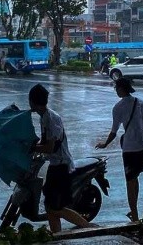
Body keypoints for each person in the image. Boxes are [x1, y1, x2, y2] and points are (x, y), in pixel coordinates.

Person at [28, 84, 95, 233]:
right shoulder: (45, 116)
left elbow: (50, 147)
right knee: (50, 208)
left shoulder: (50, 118)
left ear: (33, 101)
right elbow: (45, 142)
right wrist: (34, 144)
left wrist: (31, 148)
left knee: (55, 208)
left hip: (61, 166)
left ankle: (89, 228)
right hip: (56, 164)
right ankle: (57, 236)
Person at [96, 78, 143, 222]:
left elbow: (114, 132)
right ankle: (134, 210)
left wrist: (105, 144)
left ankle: (134, 216)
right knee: (135, 178)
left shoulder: (118, 107)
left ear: (122, 89)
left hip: (129, 148)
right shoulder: (142, 103)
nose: (115, 90)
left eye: (116, 88)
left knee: (130, 180)